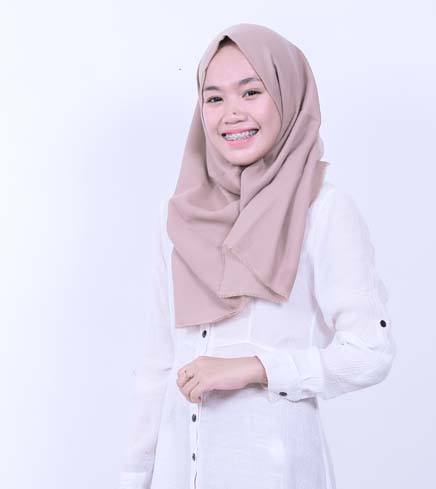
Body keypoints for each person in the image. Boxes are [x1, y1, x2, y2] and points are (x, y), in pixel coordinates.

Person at [118, 23, 397, 489]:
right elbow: (158, 364)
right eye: (214, 98)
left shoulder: (322, 210)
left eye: (251, 92)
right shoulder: (178, 217)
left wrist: (255, 368)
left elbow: (370, 352)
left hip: (273, 473)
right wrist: (133, 477)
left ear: (287, 96)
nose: (232, 113)